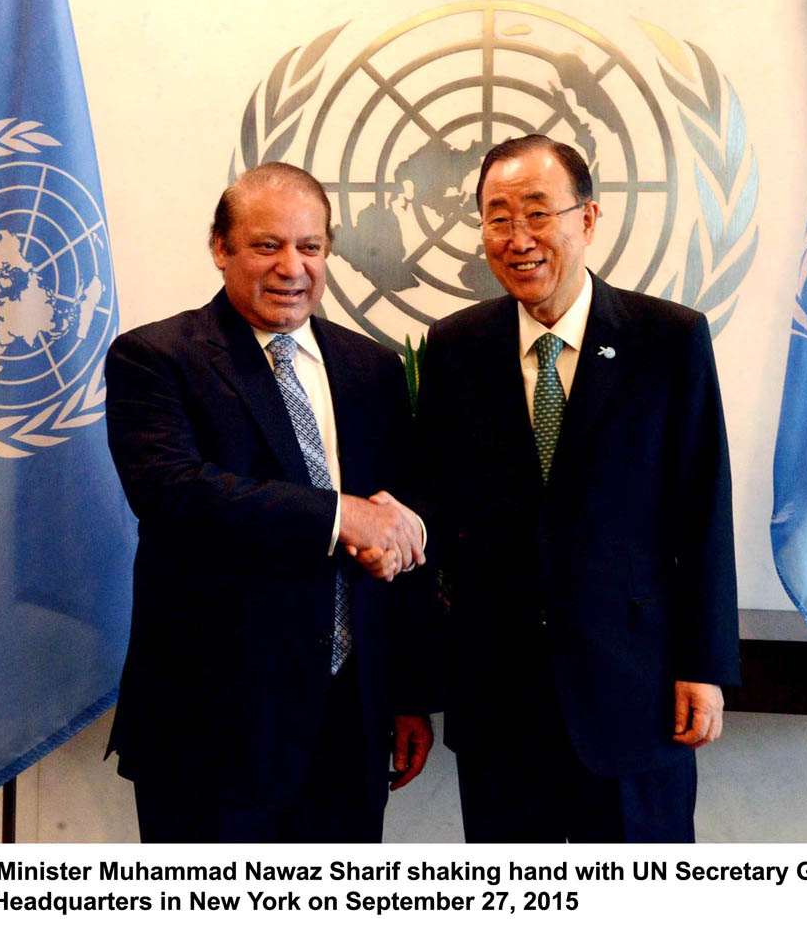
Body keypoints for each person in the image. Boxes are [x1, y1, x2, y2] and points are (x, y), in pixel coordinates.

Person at [417, 134, 739, 842]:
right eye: (498, 217)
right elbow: (437, 513)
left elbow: (703, 512)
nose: (518, 237)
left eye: (538, 212)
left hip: (637, 694)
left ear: (587, 219)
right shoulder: (455, 347)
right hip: (500, 698)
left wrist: (704, 666)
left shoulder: (669, 339)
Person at [105, 162, 433, 842]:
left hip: (349, 724)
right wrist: (343, 517)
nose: (292, 266)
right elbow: (175, 493)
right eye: (266, 245)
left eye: (310, 247)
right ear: (220, 248)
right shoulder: (155, 357)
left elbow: (396, 514)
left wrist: (406, 697)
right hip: (210, 727)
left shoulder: (371, 368)